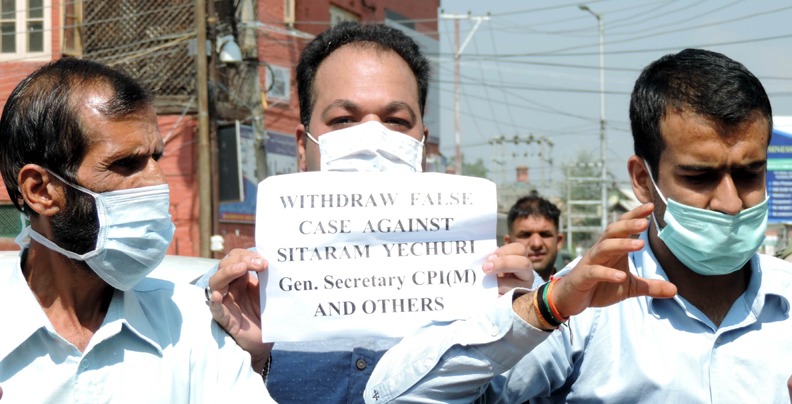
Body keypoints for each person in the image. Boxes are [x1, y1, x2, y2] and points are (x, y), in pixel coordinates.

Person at [364, 48, 792, 403]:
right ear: (643, 180)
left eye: (749, 173)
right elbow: (391, 396)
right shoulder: (584, 306)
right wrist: (544, 308)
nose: (730, 202)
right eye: (698, 177)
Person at [199, 22, 538, 404]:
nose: (373, 139)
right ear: (302, 146)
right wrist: (248, 359)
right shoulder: (227, 298)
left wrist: (510, 328)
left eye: (396, 121)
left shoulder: (500, 285)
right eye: (344, 120)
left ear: (422, 144)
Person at [0, 58, 273, 403]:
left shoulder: (193, 325)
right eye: (125, 163)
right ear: (41, 191)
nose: (157, 182)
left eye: (156, 158)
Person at [504, 195, 564, 282]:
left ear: (558, 242)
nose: (536, 244)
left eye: (545, 234)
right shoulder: (492, 289)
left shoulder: (576, 288)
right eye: (525, 235)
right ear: (508, 243)